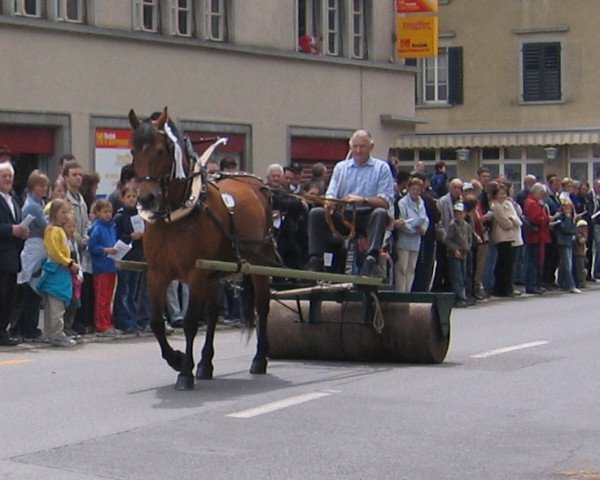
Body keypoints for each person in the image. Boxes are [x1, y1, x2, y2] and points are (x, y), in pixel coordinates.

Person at [307, 130, 394, 277]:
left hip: (369, 217)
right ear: (350, 147)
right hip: (345, 215)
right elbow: (331, 193)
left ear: (371, 147)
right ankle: (316, 260)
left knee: (380, 213)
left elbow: (385, 202)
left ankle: (371, 259)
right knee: (316, 213)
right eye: (355, 146)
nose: (358, 150)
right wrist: (330, 202)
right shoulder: (341, 168)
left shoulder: (382, 168)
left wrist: (362, 199)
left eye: (363, 146)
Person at [37, 199, 79, 348]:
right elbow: (54, 252)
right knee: (56, 306)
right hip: (57, 272)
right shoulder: (52, 230)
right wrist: (69, 263)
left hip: (60, 272)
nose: (66, 215)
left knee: (53, 306)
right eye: (63, 212)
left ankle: (51, 334)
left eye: (67, 212)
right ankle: (57, 334)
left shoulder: (59, 230)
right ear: (54, 213)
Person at [15, 170, 49, 341]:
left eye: (45, 186)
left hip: (39, 248)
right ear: (32, 187)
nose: (44, 189)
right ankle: (27, 328)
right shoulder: (33, 206)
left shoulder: (39, 203)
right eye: (41, 185)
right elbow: (45, 227)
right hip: (34, 247)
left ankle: (28, 326)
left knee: (35, 289)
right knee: (32, 288)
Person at [0, 155, 29, 346]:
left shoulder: (15, 199)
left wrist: (23, 231)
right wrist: (12, 230)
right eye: (3, 176)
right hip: (2, 257)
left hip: (13, 256)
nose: (8, 179)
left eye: (9, 176)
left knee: (10, 296)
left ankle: (4, 330)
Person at [63, 160, 93, 334]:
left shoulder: (81, 199)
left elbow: (86, 222)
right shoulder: (64, 199)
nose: (78, 178)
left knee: (78, 289)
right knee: (68, 288)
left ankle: (74, 322)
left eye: (80, 175)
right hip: (70, 247)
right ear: (66, 177)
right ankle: (66, 325)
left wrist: (86, 237)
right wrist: (79, 239)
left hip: (81, 249)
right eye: (74, 175)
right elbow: (66, 224)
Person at [113, 186, 145, 333]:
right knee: (124, 291)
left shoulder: (140, 214)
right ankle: (123, 321)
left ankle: (132, 320)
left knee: (133, 291)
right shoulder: (120, 216)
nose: (132, 199)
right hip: (125, 256)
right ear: (123, 198)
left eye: (134, 196)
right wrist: (129, 237)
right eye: (128, 196)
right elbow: (116, 236)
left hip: (138, 256)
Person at [267, 164, 309, 269]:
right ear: (268, 177)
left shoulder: (286, 192)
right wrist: (299, 203)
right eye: (273, 176)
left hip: (287, 232)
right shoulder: (265, 191)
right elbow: (283, 203)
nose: (276, 179)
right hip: (270, 233)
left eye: (278, 176)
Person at [88, 200, 120, 335]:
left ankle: (107, 322)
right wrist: (105, 250)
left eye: (110, 212)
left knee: (108, 298)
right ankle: (101, 324)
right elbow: (92, 248)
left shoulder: (112, 227)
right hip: (101, 268)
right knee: (101, 298)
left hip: (111, 266)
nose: (108, 215)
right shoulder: (97, 228)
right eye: (105, 212)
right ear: (98, 213)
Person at [393, 177, 428, 292]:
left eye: (418, 190)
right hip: (404, 240)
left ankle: (408, 292)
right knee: (402, 268)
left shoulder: (421, 202)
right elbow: (402, 221)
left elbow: (425, 218)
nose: (416, 192)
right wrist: (413, 230)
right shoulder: (402, 202)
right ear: (408, 189)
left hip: (416, 241)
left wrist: (423, 229)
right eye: (413, 189)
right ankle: (400, 292)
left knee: (411, 268)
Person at [490, 183, 521, 297]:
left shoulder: (505, 205)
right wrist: (511, 220)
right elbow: (506, 223)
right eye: (500, 194)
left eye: (504, 193)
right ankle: (501, 289)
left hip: (508, 237)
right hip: (501, 237)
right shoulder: (497, 206)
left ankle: (507, 287)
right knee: (503, 264)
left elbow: (515, 219)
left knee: (508, 264)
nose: (503, 196)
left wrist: (511, 220)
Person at [523, 183, 551, 294]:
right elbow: (536, 219)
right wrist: (547, 218)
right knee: (533, 262)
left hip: (540, 236)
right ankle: (531, 285)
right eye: (542, 194)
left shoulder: (536, 203)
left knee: (537, 261)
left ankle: (537, 283)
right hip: (535, 236)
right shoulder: (532, 203)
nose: (543, 196)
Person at [445, 202, 472, 307]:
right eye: (456, 213)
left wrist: (468, 247)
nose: (458, 215)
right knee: (457, 277)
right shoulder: (452, 225)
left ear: (464, 214)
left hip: (464, 253)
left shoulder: (466, 225)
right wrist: (455, 249)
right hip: (455, 254)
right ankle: (459, 298)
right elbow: (447, 240)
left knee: (463, 275)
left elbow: (469, 238)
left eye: (460, 213)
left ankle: (463, 296)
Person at [553, 199, 580, 293]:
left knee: (565, 264)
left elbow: (573, 230)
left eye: (569, 207)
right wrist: (568, 218)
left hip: (569, 242)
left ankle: (562, 283)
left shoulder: (571, 218)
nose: (567, 210)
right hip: (563, 242)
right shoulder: (560, 218)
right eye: (565, 207)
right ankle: (570, 285)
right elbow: (566, 229)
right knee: (567, 264)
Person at [575, 219, 589, 288]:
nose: (584, 228)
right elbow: (581, 241)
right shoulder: (578, 234)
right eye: (582, 227)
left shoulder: (584, 233)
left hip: (583, 253)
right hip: (578, 253)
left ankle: (582, 282)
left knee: (583, 268)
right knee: (580, 269)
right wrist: (584, 236)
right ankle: (580, 282)